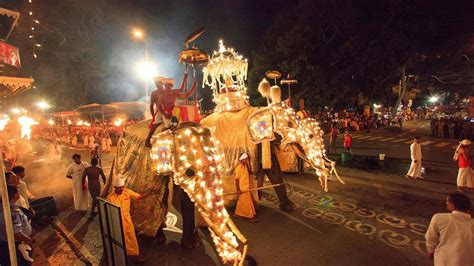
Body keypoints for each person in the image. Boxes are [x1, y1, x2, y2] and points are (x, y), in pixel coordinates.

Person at [106, 175, 150, 264]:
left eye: (122, 188)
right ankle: (121, 257)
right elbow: (108, 213)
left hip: (127, 219)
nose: (121, 190)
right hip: (117, 221)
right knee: (120, 240)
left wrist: (150, 191)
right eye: (118, 188)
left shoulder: (127, 192)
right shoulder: (110, 198)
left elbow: (139, 196)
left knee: (131, 238)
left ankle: (135, 255)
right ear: (115, 187)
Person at [425, 193, 474, 266]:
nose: (446, 203)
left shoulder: (439, 217)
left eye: (447, 201)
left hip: (443, 260)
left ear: (452, 205)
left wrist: (430, 250)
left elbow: (431, 237)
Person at [145, 71, 190, 148]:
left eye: (158, 83)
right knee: (156, 123)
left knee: (179, 121)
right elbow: (152, 105)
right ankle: (148, 140)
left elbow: (181, 89)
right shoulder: (154, 93)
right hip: (160, 111)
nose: (157, 85)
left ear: (162, 83)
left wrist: (185, 79)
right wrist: (153, 116)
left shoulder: (167, 90)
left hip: (171, 110)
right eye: (156, 84)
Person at [0, 185, 35, 266]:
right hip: (18, 246)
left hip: (7, 246)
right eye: (18, 192)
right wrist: (28, 239)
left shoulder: (3, 207)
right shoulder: (11, 211)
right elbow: (16, 233)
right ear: (15, 195)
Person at [234, 153, 257, 222]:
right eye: (245, 159)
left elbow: (249, 172)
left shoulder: (246, 166)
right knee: (246, 203)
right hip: (242, 188)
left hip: (246, 187)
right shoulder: (238, 168)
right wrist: (238, 189)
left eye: (246, 159)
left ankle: (237, 214)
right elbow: (237, 180)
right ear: (241, 159)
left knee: (242, 202)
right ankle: (250, 217)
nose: (246, 161)